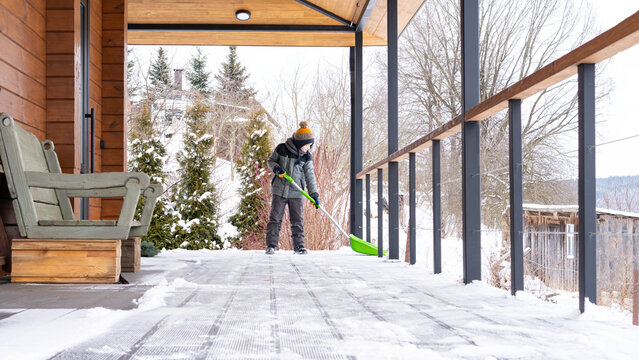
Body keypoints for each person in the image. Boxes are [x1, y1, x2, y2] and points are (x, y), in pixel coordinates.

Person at [265, 121, 319, 255]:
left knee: (298, 220)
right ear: (300, 143)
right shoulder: (281, 148)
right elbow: (271, 161)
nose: (309, 147)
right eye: (307, 145)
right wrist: (276, 169)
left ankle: (299, 246)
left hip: (296, 192)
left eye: (310, 144)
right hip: (280, 190)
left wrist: (314, 194)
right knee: (275, 218)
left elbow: (310, 176)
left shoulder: (306, 156)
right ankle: (271, 245)